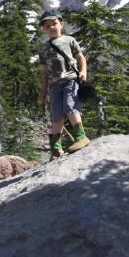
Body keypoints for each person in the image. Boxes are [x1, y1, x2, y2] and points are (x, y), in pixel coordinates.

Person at [37, 9, 90, 158]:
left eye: (54, 23)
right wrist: (42, 91)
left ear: (61, 23)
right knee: (56, 115)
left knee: (70, 106)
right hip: (54, 85)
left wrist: (83, 71)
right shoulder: (43, 48)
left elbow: (80, 57)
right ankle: (56, 148)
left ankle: (81, 137)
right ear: (43, 29)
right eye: (47, 26)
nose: (51, 27)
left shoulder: (69, 40)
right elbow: (44, 72)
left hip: (70, 79)